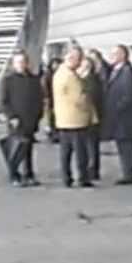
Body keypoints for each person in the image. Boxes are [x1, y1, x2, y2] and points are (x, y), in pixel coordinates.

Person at [0, 52, 43, 187]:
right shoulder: (8, 80)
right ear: (13, 64)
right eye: (18, 62)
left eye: (23, 61)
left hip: (30, 119)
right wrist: (11, 116)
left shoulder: (34, 80)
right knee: (16, 149)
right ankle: (14, 175)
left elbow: (39, 99)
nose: (21, 64)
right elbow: (3, 102)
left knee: (28, 148)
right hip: (15, 121)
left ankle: (29, 174)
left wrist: (38, 116)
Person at [52, 48, 95, 188]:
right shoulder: (70, 76)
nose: (80, 62)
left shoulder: (59, 73)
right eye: (79, 59)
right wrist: (88, 102)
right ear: (72, 59)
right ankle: (83, 178)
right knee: (80, 152)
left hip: (63, 119)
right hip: (75, 119)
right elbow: (79, 99)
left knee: (65, 152)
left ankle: (66, 177)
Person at [103, 45, 132, 185]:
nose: (111, 56)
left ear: (123, 55)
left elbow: (128, 95)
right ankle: (127, 172)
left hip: (125, 118)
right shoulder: (115, 71)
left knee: (126, 146)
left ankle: (129, 174)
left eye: (115, 53)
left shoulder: (127, 71)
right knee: (122, 145)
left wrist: (115, 109)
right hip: (120, 118)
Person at [82, 48, 108, 182]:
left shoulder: (90, 79)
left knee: (91, 144)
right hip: (92, 116)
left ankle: (92, 169)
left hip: (91, 117)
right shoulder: (92, 78)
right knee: (91, 144)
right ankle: (92, 169)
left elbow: (92, 97)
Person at [42, 56, 61, 143]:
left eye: (58, 64)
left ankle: (56, 133)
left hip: (58, 99)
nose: (56, 66)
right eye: (54, 64)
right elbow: (45, 87)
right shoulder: (48, 75)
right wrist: (47, 97)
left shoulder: (60, 74)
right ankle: (52, 133)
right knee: (50, 117)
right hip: (50, 99)